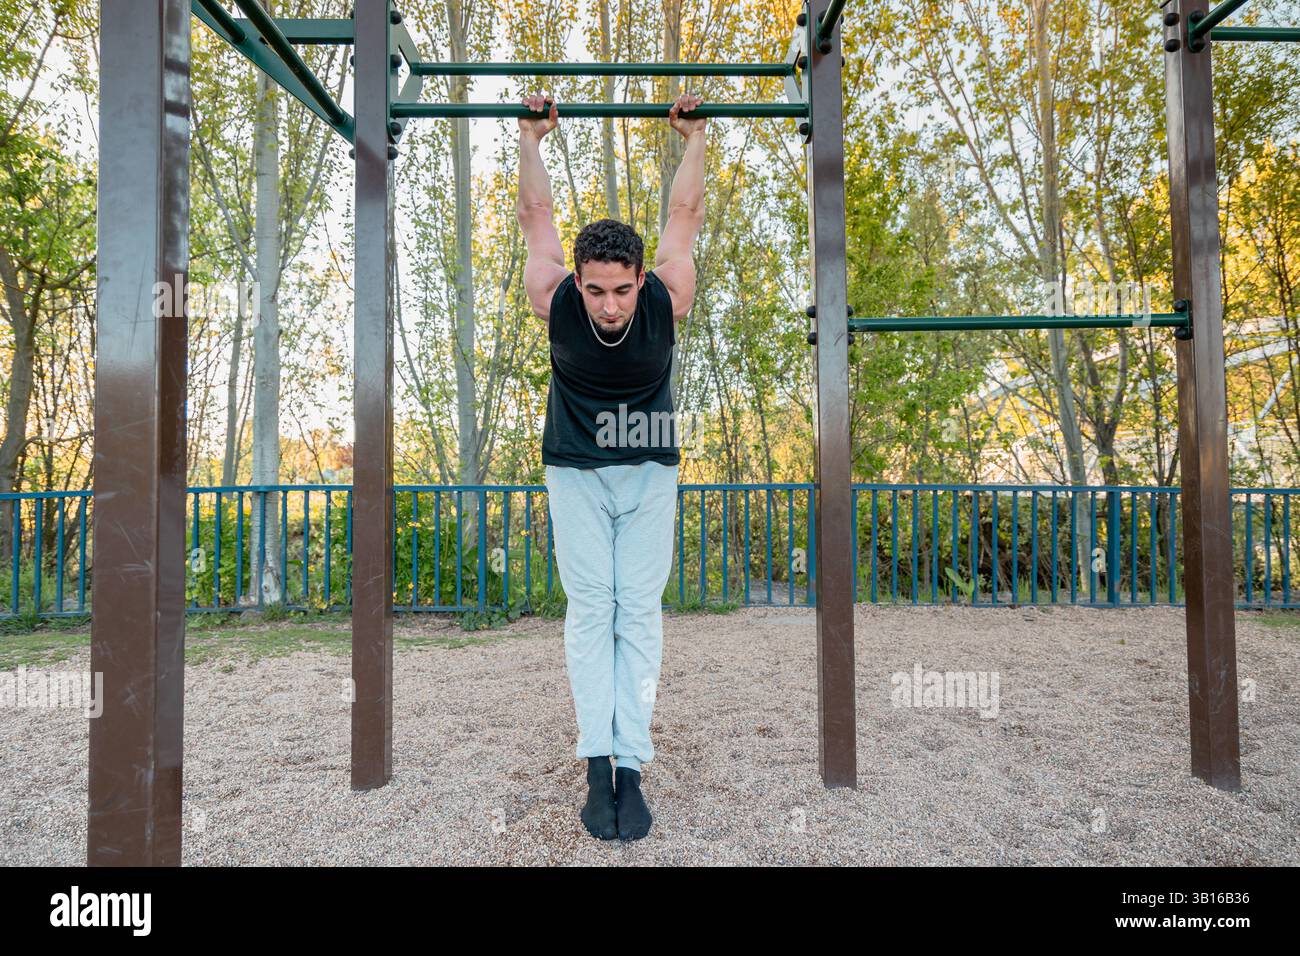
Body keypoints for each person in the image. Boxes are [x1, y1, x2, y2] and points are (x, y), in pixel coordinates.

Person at [515, 90, 706, 840]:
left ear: (639, 282)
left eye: (621, 289)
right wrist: (531, 138)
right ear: (580, 284)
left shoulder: (668, 295)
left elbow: (683, 217)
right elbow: (537, 220)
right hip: (575, 468)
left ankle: (633, 764)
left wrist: (693, 139)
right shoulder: (554, 297)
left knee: (641, 611)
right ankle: (598, 767)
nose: (609, 305)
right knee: (594, 612)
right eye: (595, 289)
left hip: (651, 468)